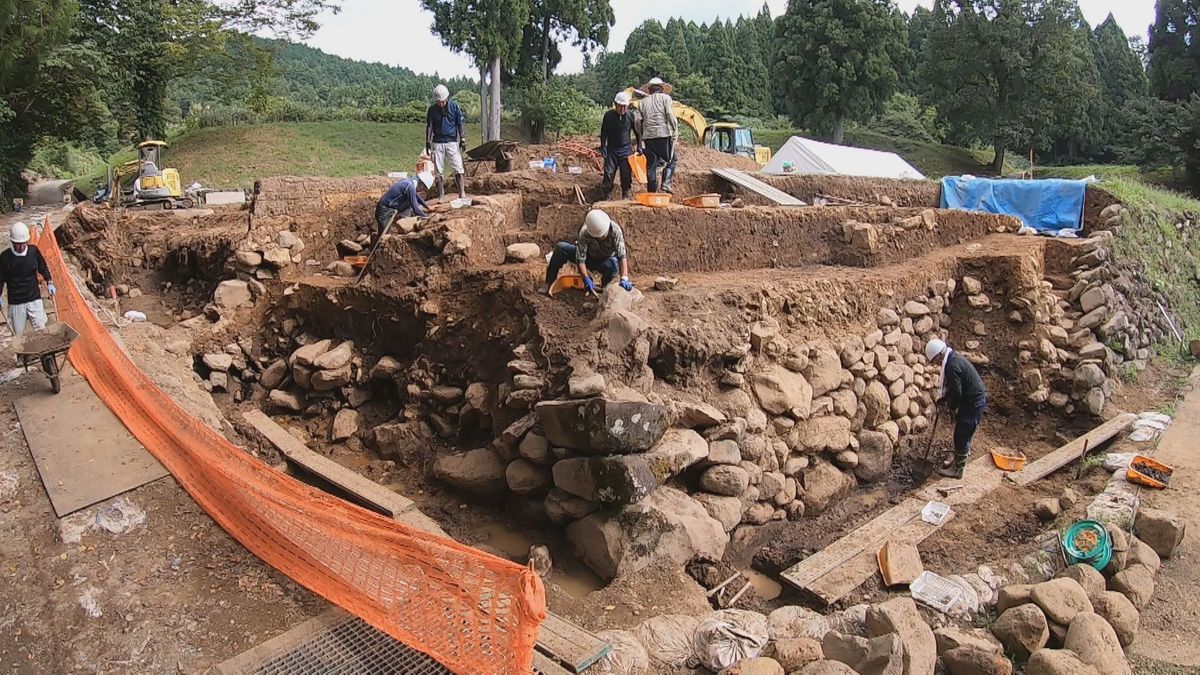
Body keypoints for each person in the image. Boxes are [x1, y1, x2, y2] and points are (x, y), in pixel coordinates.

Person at [925, 339, 987, 479]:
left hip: (973, 402)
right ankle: (956, 462)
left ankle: (958, 470)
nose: (935, 364)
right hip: (971, 399)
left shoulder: (952, 366)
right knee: (961, 433)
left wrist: (952, 407)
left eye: (934, 361)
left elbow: (957, 392)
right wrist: (944, 400)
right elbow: (955, 388)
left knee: (962, 434)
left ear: (939, 355)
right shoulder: (953, 359)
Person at [539, 209, 634, 295]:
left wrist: (624, 277)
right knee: (561, 248)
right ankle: (549, 282)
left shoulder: (615, 231)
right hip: (588, 257)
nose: (603, 238)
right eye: (600, 237)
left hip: (605, 260)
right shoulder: (585, 232)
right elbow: (580, 259)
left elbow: (622, 255)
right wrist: (585, 278)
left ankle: (605, 288)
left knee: (613, 263)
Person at [0, 222, 54, 335]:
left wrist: (49, 281)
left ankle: (44, 351)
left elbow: (43, 267)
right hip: (16, 301)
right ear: (12, 242)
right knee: (19, 334)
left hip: (34, 298)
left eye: (23, 243)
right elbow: (1, 279)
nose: (21, 247)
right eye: (18, 244)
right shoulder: (5, 257)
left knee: (41, 329)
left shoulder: (33, 252)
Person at [425, 84, 467, 200]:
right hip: (437, 142)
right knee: (438, 171)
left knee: (458, 168)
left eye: (442, 101)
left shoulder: (454, 107)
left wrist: (462, 139)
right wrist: (427, 141)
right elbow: (429, 126)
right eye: (438, 101)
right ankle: (441, 196)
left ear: (446, 98)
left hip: (452, 142)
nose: (441, 103)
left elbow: (460, 124)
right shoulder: (432, 110)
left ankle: (462, 193)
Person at [638, 77, 678, 194]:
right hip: (663, 135)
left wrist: (641, 135)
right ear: (661, 89)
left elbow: (638, 121)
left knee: (651, 164)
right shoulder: (666, 98)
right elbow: (670, 115)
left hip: (648, 137)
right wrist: (675, 129)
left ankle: (651, 192)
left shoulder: (642, 102)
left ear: (650, 90)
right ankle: (665, 183)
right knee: (672, 159)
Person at [600, 91, 641, 200]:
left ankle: (625, 194)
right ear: (615, 104)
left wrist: (639, 147)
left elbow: (638, 133)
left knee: (626, 173)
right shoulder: (608, 116)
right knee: (608, 173)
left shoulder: (630, 116)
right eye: (620, 107)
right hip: (612, 149)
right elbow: (604, 132)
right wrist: (603, 146)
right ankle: (607, 195)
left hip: (626, 149)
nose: (622, 109)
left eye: (624, 107)